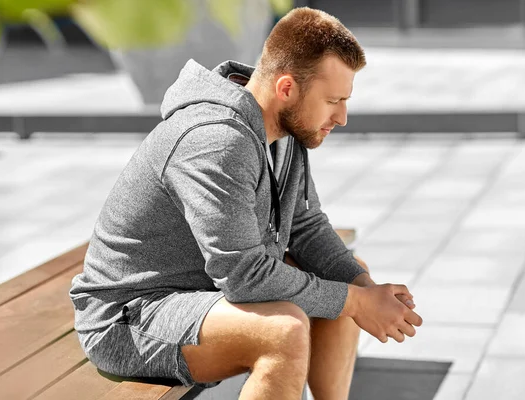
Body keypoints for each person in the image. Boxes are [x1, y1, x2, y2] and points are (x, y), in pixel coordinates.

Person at [69, 7, 422, 400]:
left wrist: (367, 291)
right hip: (132, 315)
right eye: (333, 100)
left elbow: (306, 227)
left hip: (203, 293)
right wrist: (357, 301)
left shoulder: (288, 130)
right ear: (287, 88)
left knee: (349, 277)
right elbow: (243, 275)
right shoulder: (216, 140)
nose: (342, 117)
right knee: (283, 330)